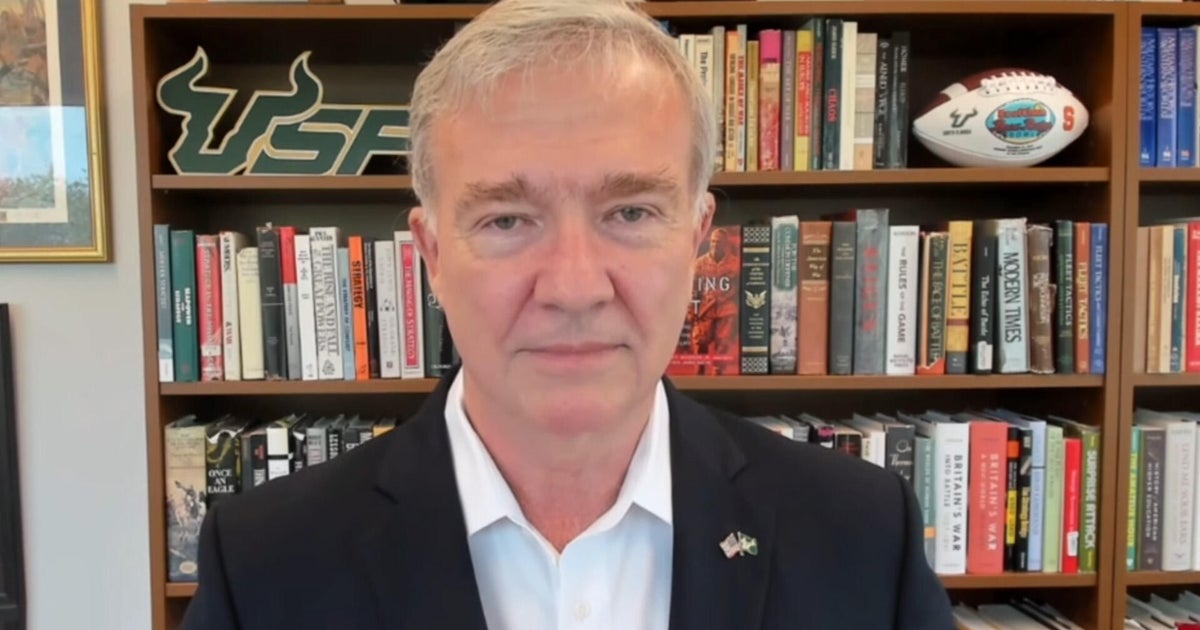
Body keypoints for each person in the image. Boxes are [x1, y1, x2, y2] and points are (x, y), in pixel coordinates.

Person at [180, 1, 956, 628]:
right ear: (432, 253)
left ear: (697, 240)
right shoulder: (263, 563)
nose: (576, 287)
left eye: (631, 212)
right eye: (507, 220)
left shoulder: (863, 534)